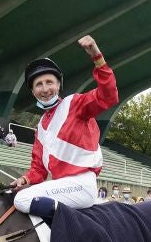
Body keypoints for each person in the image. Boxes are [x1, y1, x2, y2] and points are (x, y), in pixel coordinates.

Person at [8, 35, 118, 220]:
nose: (44, 89)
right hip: (62, 187)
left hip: (81, 184)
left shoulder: (75, 104)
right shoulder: (41, 127)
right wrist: (25, 179)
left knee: (21, 200)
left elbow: (108, 96)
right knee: (15, 196)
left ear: (58, 84)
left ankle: (69, 229)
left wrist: (96, 56)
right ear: (33, 91)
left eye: (49, 82)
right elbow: (38, 170)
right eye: (38, 85)